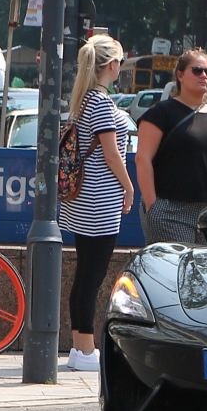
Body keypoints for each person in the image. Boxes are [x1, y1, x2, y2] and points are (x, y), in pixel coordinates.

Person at [59, 35, 135, 372]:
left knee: (84, 275)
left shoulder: (84, 100)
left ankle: (80, 346)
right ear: (113, 65)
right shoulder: (101, 103)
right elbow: (111, 151)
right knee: (92, 276)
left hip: (82, 201)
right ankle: (86, 349)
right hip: (99, 202)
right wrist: (129, 187)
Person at [135, 49, 207, 244]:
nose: (204, 76)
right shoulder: (161, 112)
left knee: (204, 272)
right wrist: (152, 204)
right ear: (180, 75)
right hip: (170, 211)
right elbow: (143, 158)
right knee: (175, 271)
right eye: (197, 70)